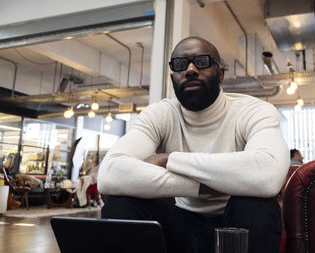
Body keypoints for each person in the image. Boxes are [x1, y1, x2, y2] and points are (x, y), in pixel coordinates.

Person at [98, 36, 289, 253]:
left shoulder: (253, 110)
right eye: (180, 64)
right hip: (179, 226)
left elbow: (267, 174)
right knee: (121, 204)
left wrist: (168, 159)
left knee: (257, 205)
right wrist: (203, 186)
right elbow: (110, 173)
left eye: (202, 61)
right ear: (173, 77)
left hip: (236, 224)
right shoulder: (159, 114)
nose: (190, 70)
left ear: (221, 74)